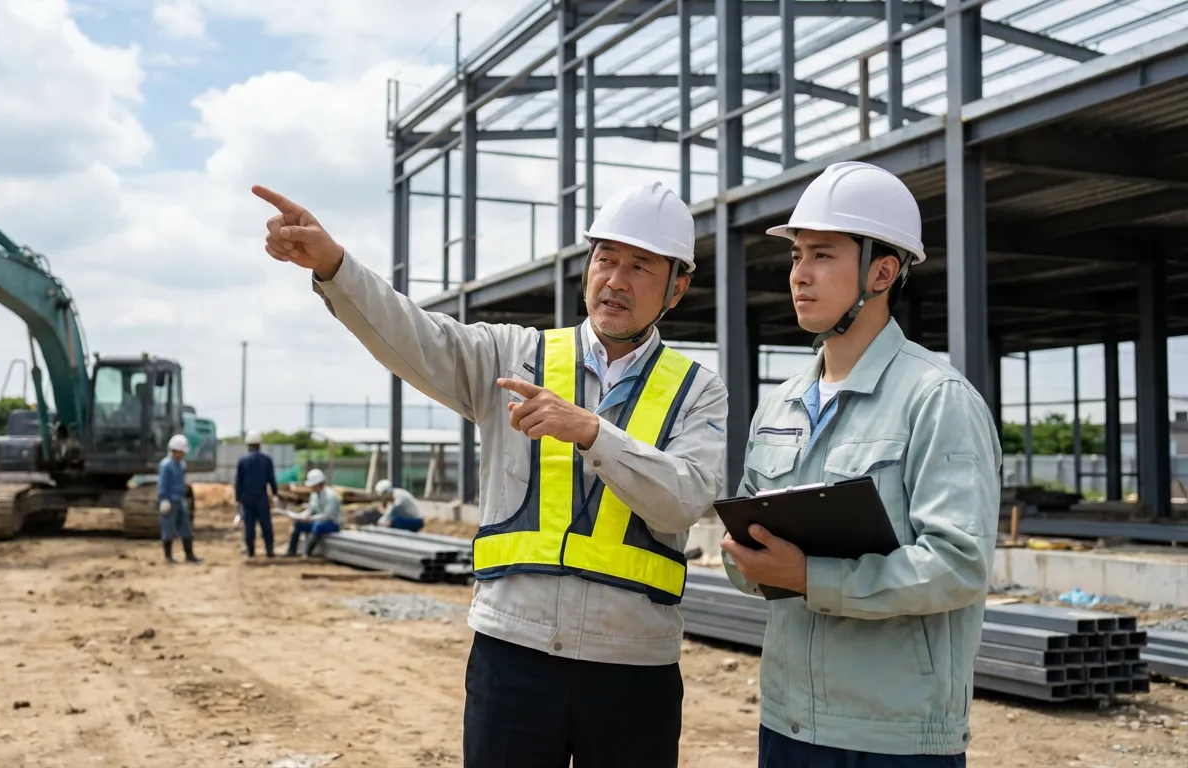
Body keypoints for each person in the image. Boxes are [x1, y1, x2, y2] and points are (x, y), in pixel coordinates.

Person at [252, 180, 728, 768]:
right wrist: (335, 267)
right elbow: (414, 335)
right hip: (514, 654)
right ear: (587, 267)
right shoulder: (512, 357)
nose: (616, 280)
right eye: (605, 259)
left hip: (634, 667)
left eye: (640, 266)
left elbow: (685, 499)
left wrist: (593, 433)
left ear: (677, 288)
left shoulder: (698, 391)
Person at [718, 161, 1001, 766]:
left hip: (892, 737)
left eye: (822, 255)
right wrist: (745, 556)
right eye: (796, 256)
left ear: (882, 271)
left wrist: (810, 577)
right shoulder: (780, 403)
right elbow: (744, 543)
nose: (799, 274)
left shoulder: (937, 400)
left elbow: (958, 564)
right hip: (787, 721)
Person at [158, 434, 201, 564]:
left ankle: (189, 554)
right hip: (169, 501)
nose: (181, 455)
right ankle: (168, 556)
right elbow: (162, 484)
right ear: (174, 451)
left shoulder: (181, 465)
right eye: (180, 452)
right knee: (168, 528)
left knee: (186, 527)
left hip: (179, 500)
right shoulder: (166, 465)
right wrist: (163, 499)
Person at [234, 438, 279, 558]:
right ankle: (269, 551)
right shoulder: (267, 460)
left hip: (247, 498)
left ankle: (251, 552)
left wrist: (237, 498)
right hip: (261, 497)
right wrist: (275, 494)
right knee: (266, 524)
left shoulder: (243, 460)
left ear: (248, 445)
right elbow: (272, 479)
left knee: (249, 525)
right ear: (259, 445)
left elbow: (238, 481)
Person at [286, 468, 341, 557]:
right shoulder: (314, 495)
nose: (311, 488)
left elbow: (327, 516)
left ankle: (307, 553)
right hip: (318, 521)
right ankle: (291, 552)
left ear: (319, 485)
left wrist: (310, 519)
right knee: (298, 524)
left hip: (332, 524)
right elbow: (311, 510)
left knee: (318, 526)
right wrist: (302, 516)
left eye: (312, 486)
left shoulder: (331, 496)